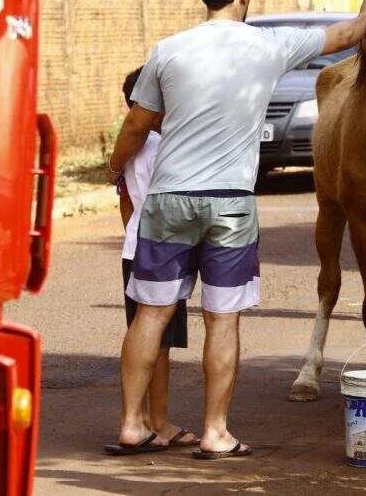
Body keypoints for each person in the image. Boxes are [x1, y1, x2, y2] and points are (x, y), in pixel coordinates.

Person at [105, 0, 366, 459]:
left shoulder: (169, 50)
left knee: (150, 316)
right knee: (222, 320)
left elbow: (137, 126)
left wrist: (116, 168)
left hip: (169, 199)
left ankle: (132, 426)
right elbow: (348, 34)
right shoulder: (268, 46)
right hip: (229, 204)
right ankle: (215, 432)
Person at [103, 68, 198, 455]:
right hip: (164, 248)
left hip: (134, 248)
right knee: (159, 344)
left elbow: (125, 203)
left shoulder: (127, 149)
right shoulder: (163, 145)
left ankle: (140, 419)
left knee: (141, 337)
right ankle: (157, 423)